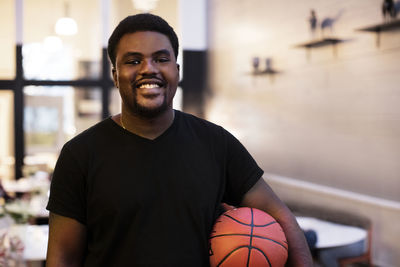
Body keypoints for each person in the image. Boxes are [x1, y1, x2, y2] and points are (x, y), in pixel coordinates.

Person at [45, 13, 313, 267]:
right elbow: (63, 258)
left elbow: (281, 218)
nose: (148, 69)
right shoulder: (80, 155)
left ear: (177, 70)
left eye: (161, 59)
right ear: (115, 75)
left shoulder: (216, 143)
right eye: (133, 60)